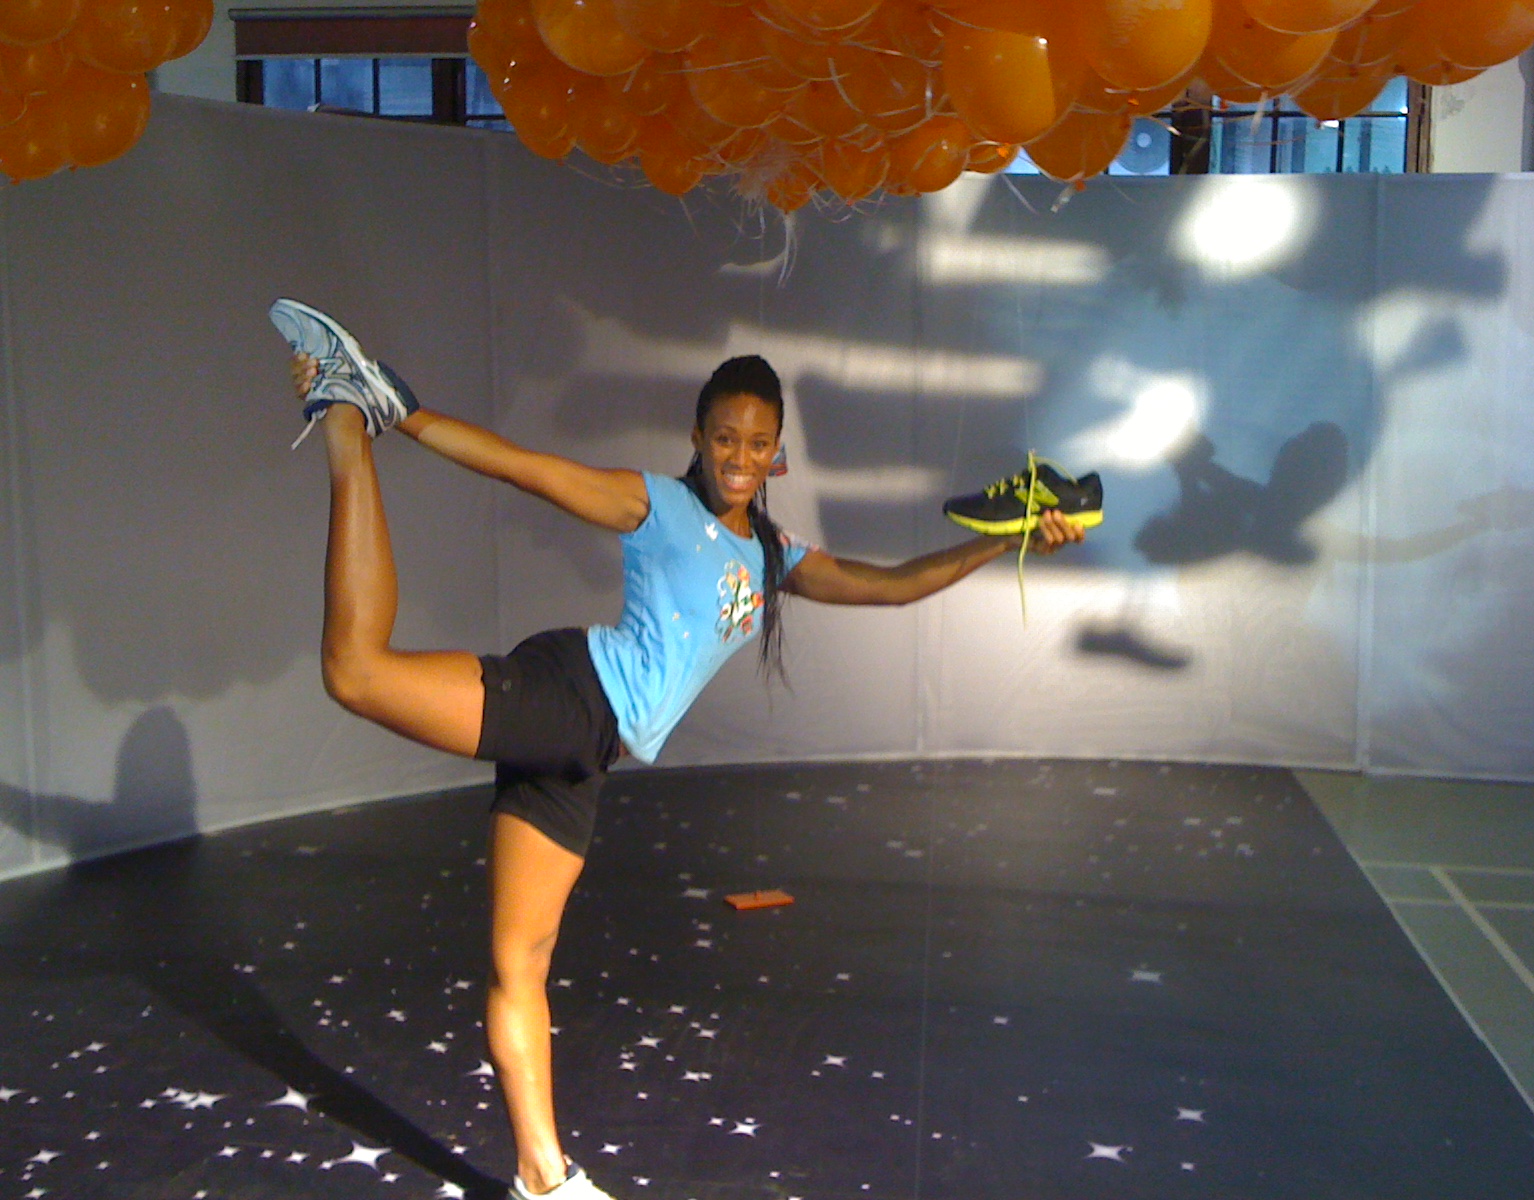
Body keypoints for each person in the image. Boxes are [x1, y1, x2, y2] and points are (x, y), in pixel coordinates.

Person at [270, 299, 1091, 1200]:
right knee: (355, 672)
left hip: (585, 753)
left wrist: (1009, 539)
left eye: (757, 443)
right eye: (725, 437)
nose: (740, 456)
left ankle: (543, 1180)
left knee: (520, 965)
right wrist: (405, 414)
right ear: (697, 438)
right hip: (565, 695)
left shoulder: (773, 554)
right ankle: (352, 412)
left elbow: (891, 586)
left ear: (776, 454)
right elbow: (526, 468)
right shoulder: (656, 505)